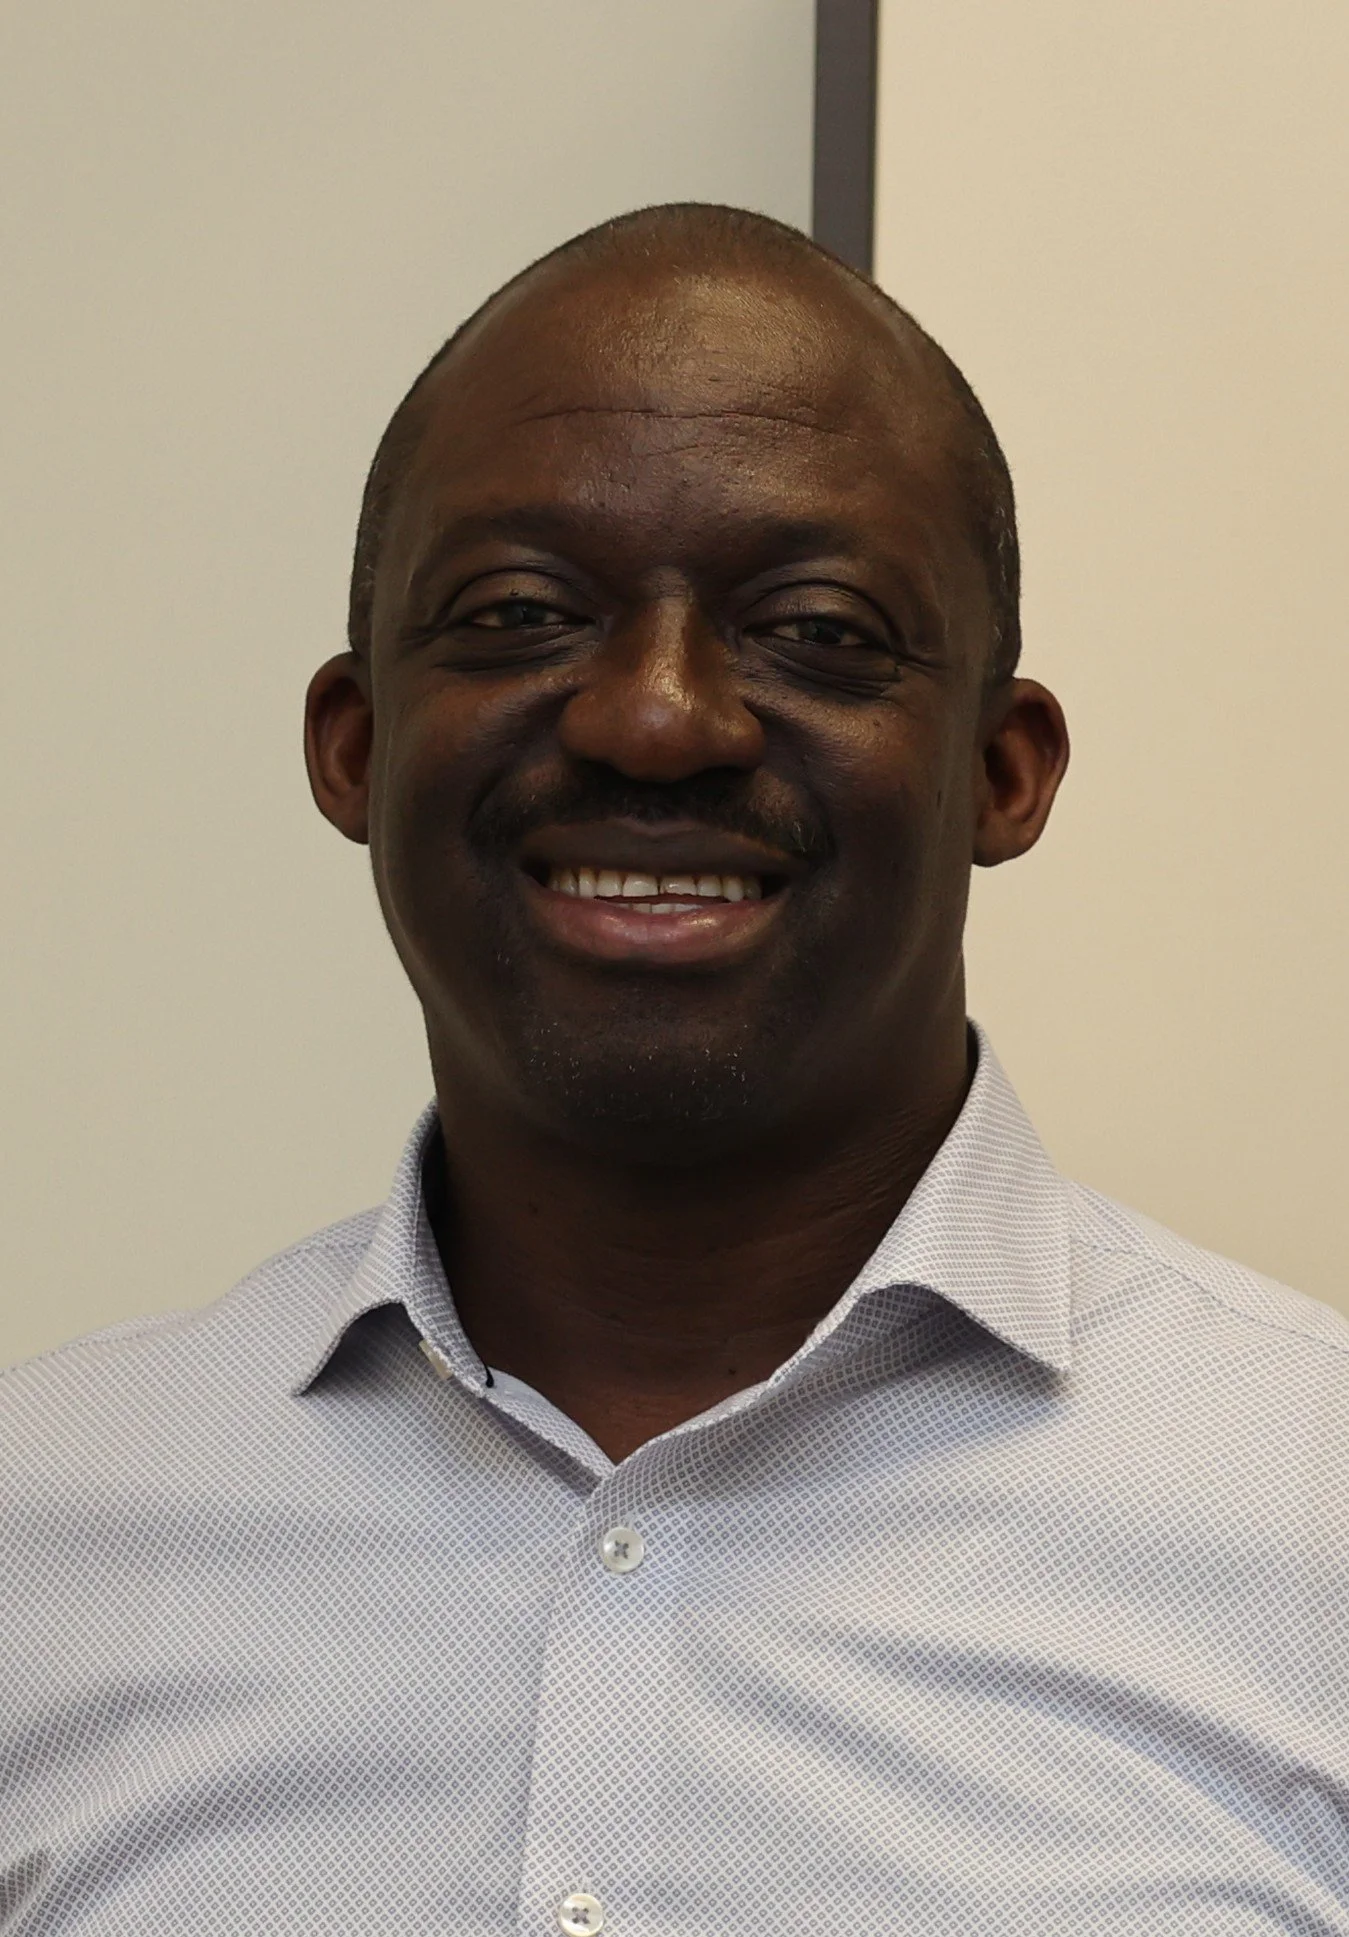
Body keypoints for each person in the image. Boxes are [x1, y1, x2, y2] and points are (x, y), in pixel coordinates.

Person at [3, 204, 1346, 1936]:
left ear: (1002, 773)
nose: (654, 718)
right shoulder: (41, 1538)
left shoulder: (1312, 1525)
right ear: (355, 745)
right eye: (518, 612)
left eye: (820, 630)